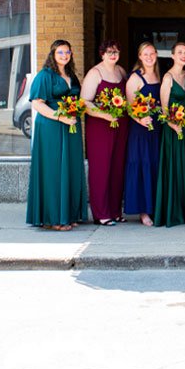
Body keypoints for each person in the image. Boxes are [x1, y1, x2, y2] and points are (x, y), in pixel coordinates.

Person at [25, 39, 86, 231]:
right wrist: (61, 118)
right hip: (51, 127)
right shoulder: (45, 76)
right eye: (60, 52)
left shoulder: (71, 76)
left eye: (67, 52)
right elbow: (37, 103)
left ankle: (70, 213)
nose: (64, 55)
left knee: (71, 168)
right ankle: (54, 218)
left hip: (71, 128)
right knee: (53, 170)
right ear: (53, 54)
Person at [80, 40, 128, 225]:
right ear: (102, 54)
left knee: (117, 167)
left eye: (115, 51)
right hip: (100, 127)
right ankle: (101, 214)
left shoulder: (121, 71)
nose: (113, 55)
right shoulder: (95, 73)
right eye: (109, 52)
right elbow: (85, 103)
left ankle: (115, 211)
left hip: (120, 124)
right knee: (101, 168)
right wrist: (105, 116)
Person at [154, 41, 185, 227]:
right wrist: (173, 125)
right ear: (172, 56)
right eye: (180, 52)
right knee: (174, 168)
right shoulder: (167, 78)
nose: (183, 55)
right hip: (172, 130)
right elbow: (163, 109)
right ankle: (172, 212)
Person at [124, 41, 162, 226]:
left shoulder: (159, 75)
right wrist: (141, 119)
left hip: (158, 129)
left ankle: (156, 206)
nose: (149, 57)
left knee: (156, 166)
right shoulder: (135, 78)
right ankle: (143, 211)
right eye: (145, 54)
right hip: (141, 130)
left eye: (152, 54)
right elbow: (130, 107)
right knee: (143, 166)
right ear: (140, 56)